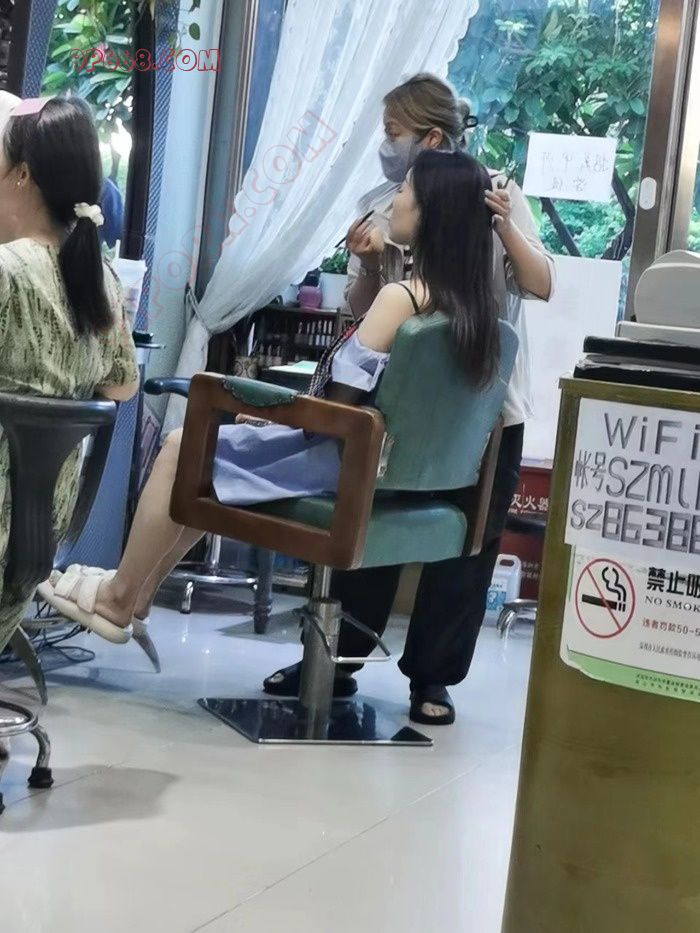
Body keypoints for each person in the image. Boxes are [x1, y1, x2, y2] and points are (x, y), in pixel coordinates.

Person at [39, 150, 502, 650]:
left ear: (432, 209)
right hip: (389, 476)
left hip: (340, 462)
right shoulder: (474, 312)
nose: (396, 202)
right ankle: (138, 593)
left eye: (406, 190)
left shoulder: (402, 298)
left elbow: (341, 401)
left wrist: (274, 418)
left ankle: (118, 596)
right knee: (212, 461)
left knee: (182, 447)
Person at [265, 73, 555, 725]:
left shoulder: (496, 194)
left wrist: (505, 225)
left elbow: (540, 283)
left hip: (484, 407)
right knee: (370, 524)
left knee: (469, 544)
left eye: (393, 133)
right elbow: (366, 314)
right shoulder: (385, 205)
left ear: (431, 137)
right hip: (398, 405)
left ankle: (433, 676)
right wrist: (370, 264)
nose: (384, 146)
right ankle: (335, 660)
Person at [0, 95, 139, 655]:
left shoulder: (8, 272)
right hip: (33, 541)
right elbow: (122, 385)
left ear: (21, 175)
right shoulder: (101, 279)